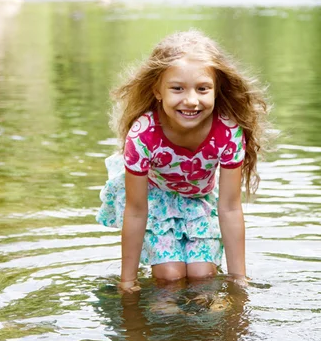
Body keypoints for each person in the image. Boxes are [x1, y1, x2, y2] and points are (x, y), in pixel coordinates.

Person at [96, 29, 268, 293]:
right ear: (157, 90)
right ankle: (166, 318)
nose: (191, 101)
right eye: (177, 88)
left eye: (202, 89)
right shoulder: (143, 135)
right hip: (155, 198)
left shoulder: (227, 132)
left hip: (199, 199)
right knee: (170, 276)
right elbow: (136, 210)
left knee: (203, 275)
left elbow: (230, 208)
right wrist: (127, 281)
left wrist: (238, 280)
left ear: (216, 90)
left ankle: (199, 326)